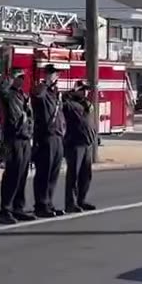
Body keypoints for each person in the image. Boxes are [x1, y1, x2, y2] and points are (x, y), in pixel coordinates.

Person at [0, 69, 35, 224]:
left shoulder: (23, 96)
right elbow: (1, 90)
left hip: (25, 138)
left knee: (22, 175)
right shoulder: (8, 94)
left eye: (23, 77)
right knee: (12, 175)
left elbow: (30, 117)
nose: (21, 80)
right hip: (14, 139)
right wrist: (10, 78)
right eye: (19, 77)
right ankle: (6, 210)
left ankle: (18, 207)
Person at [31, 64, 66, 218]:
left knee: (53, 173)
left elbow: (60, 114)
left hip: (58, 137)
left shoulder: (55, 94)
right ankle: (41, 204)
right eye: (52, 73)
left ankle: (49, 203)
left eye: (56, 74)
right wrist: (46, 83)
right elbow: (37, 96)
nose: (54, 76)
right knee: (44, 173)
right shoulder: (41, 90)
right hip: (46, 137)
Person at [61, 80, 98, 212]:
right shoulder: (70, 104)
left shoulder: (87, 104)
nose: (85, 92)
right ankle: (70, 203)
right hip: (75, 143)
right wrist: (72, 92)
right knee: (73, 175)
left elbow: (90, 122)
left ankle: (81, 200)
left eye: (86, 90)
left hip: (87, 143)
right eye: (82, 89)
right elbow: (62, 100)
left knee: (86, 175)